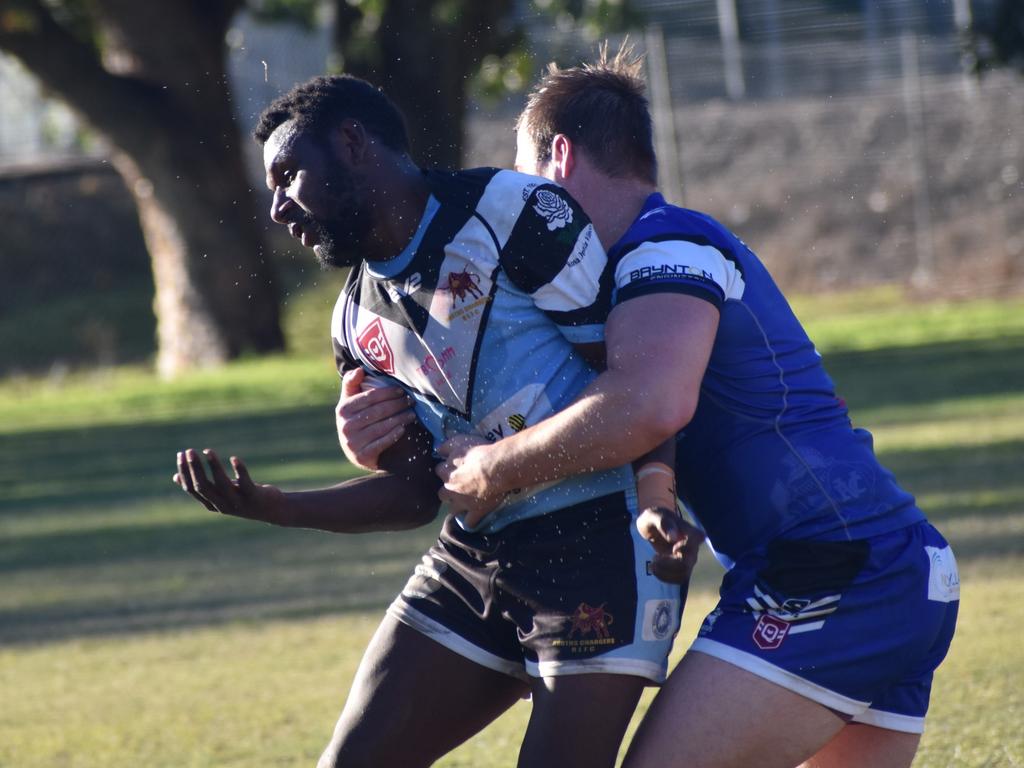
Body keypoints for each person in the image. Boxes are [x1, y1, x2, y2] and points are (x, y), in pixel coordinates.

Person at [337, 48, 960, 768]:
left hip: (836, 574)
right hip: (892, 565)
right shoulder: (632, 268)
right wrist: (378, 428)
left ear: (559, 159)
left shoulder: (661, 247)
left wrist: (492, 470)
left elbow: (648, 404)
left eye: (525, 177)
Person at [174, 73, 692, 768]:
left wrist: (658, 492)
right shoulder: (353, 321)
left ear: (353, 141)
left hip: (602, 542)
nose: (276, 209)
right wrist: (276, 506)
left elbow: (636, 386)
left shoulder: (515, 212)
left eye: (288, 175)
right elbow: (418, 493)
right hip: (476, 555)